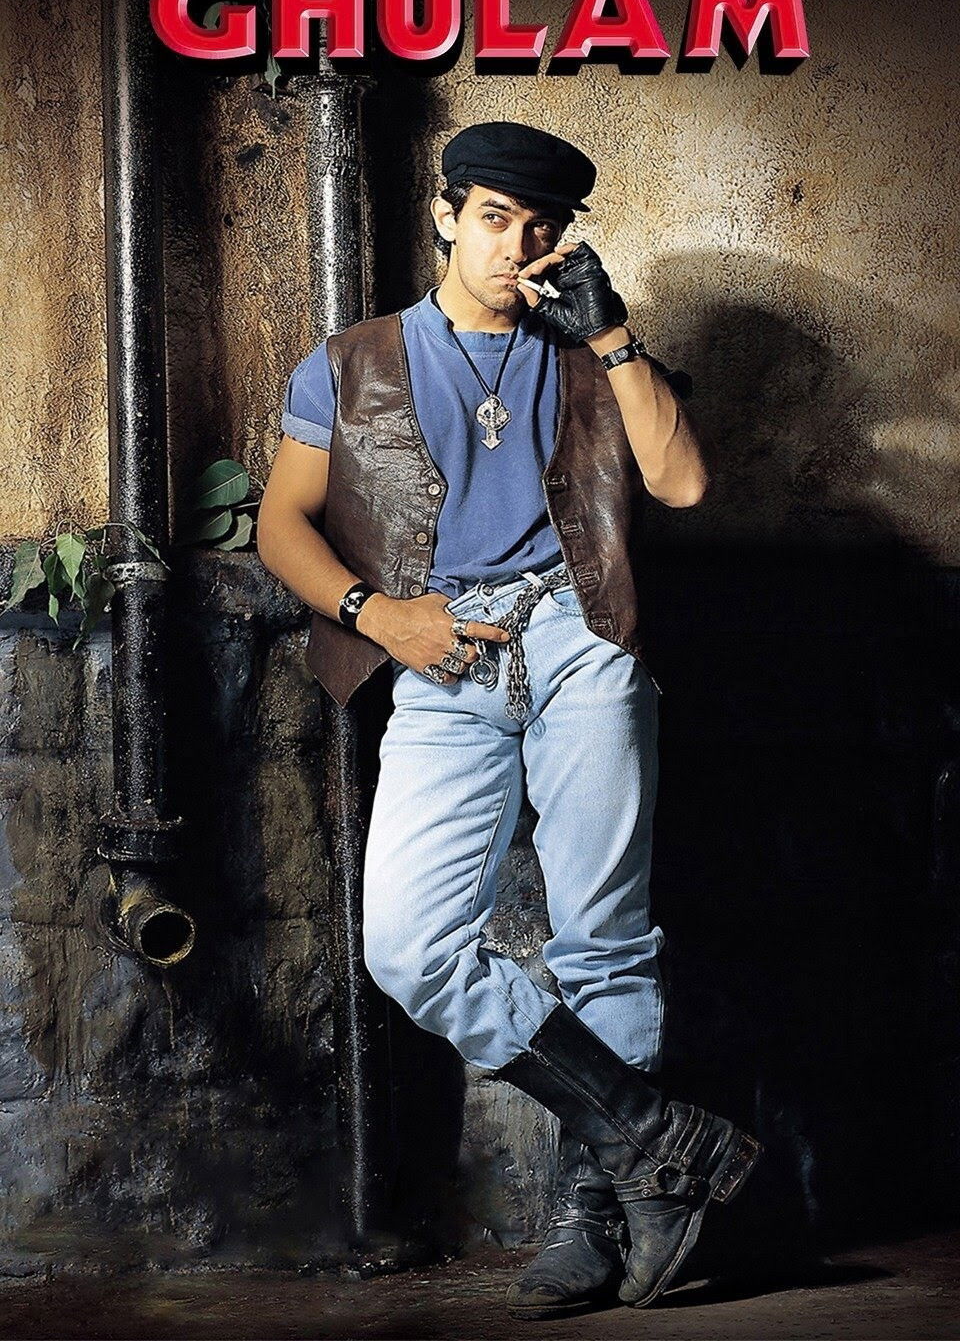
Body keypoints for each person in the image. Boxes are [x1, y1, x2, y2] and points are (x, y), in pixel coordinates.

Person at [257, 121, 760, 1318]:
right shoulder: (352, 361)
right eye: (493, 218)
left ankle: (597, 1210)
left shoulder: (592, 349)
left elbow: (684, 483)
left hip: (581, 637)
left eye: (540, 227)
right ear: (446, 216)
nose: (516, 245)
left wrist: (614, 333)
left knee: (604, 939)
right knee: (409, 946)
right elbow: (282, 523)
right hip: (441, 653)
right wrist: (378, 616)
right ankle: (655, 1134)